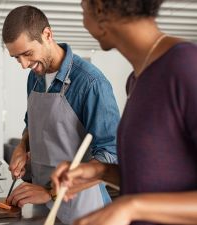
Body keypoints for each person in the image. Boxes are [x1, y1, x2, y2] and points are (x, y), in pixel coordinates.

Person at [51, 0, 197, 225]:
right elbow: (153, 180)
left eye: (82, 8)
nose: (83, 22)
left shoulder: (186, 66)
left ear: (99, 8)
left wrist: (130, 207)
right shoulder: (136, 79)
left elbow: (138, 201)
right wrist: (99, 171)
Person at [2, 5, 120, 224]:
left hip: (84, 209)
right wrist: (22, 147)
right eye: (16, 58)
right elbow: (32, 124)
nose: (24, 65)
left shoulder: (91, 83)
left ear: (47, 34)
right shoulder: (34, 77)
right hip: (43, 204)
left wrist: (51, 192)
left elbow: (110, 154)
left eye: (27, 54)